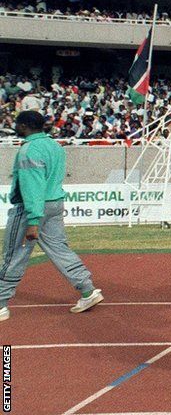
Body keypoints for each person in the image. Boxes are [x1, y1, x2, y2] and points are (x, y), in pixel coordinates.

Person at [0, 111, 104, 322]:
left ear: (25, 126)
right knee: (59, 248)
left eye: (17, 124)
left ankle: (1, 303)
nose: (15, 127)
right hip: (55, 203)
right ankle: (87, 290)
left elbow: (32, 186)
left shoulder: (29, 150)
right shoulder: (54, 146)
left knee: (14, 254)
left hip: (32, 208)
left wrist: (33, 220)